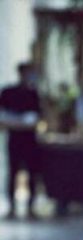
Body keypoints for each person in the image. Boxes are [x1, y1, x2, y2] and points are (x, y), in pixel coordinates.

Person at [0, 62, 41, 219]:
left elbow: (36, 118)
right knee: (13, 172)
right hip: (15, 139)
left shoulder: (33, 94)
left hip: (29, 140)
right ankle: (11, 205)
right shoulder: (8, 93)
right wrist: (18, 123)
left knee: (32, 172)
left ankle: (31, 205)